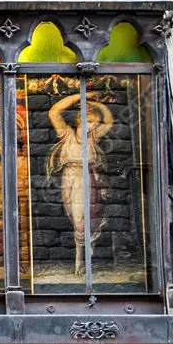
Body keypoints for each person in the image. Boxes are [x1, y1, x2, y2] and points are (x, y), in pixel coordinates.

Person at [47, 91, 113, 275]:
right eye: (87, 121)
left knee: (82, 219)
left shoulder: (92, 138)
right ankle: (84, 253)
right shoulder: (66, 134)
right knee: (75, 217)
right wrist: (81, 95)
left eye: (93, 122)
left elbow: (108, 121)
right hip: (69, 178)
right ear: (78, 120)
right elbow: (54, 112)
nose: (91, 126)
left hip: (85, 177)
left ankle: (80, 261)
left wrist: (96, 104)